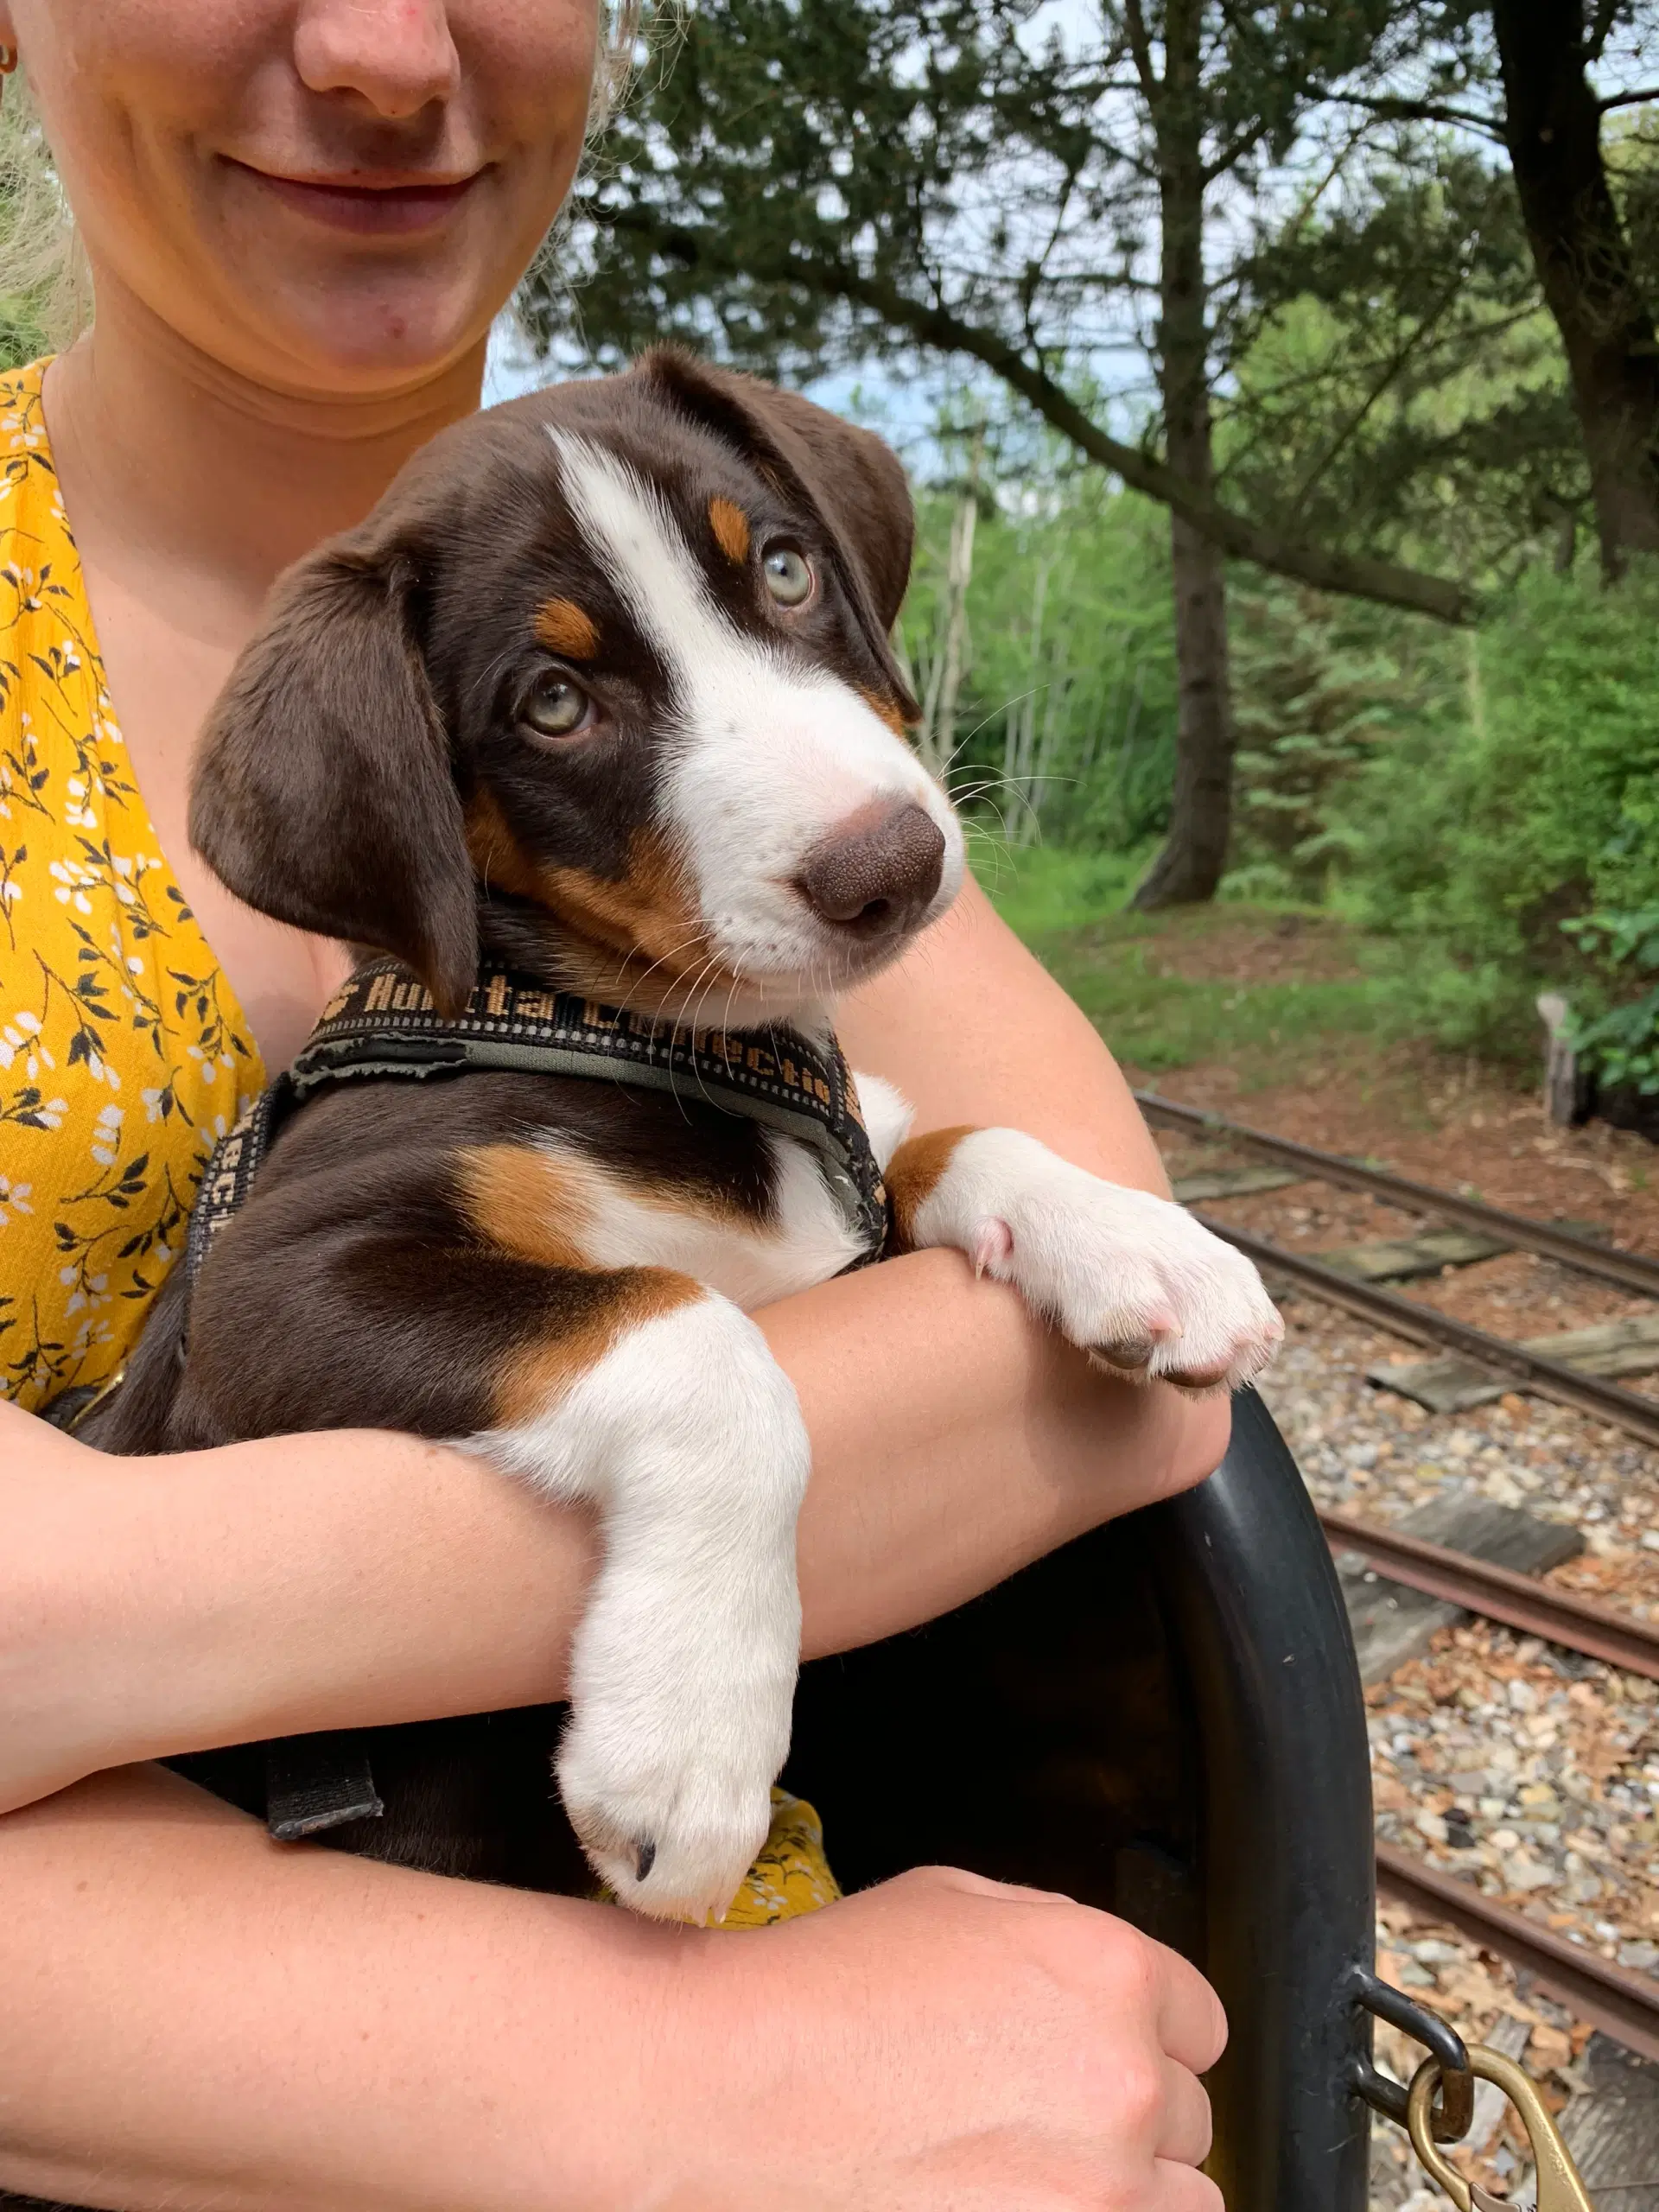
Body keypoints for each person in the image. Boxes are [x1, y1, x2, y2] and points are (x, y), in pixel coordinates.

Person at [0, 2, 1233, 2203]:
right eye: (561, 697)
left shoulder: (771, 832)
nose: (384, 47)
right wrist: (672, 2087)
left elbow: (1141, 1379)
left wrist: (104, 1597)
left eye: (789, 597)